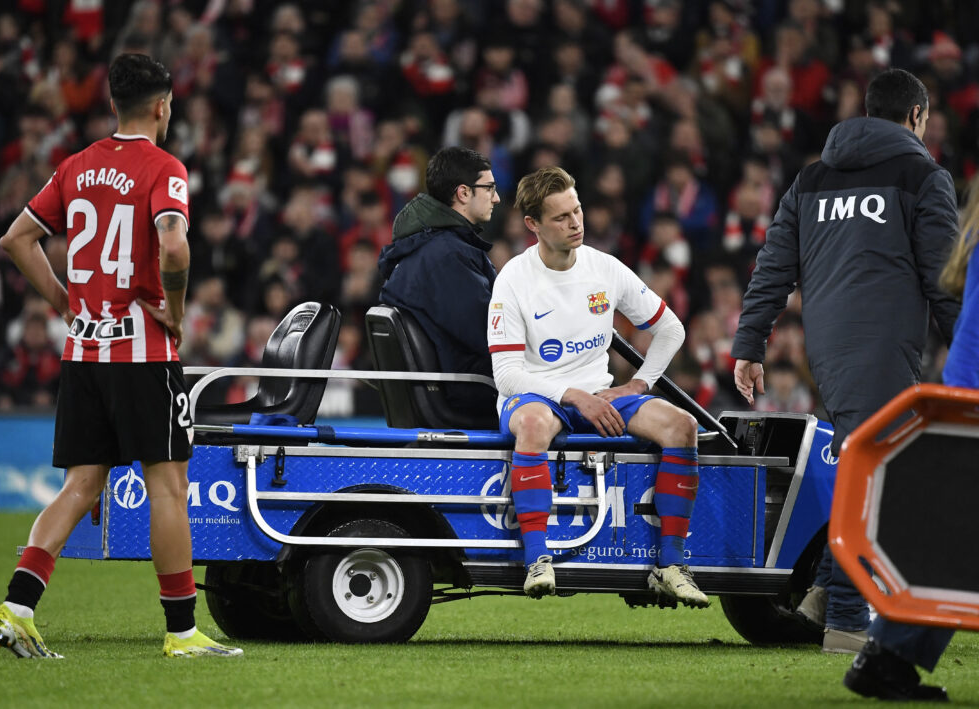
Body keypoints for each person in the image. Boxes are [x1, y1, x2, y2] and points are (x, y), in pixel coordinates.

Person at [0, 53, 241, 659]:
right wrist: (175, 313)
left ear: (111, 105)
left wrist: (63, 302)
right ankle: (182, 633)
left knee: (81, 484)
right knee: (169, 487)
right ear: (163, 107)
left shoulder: (75, 167)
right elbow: (173, 246)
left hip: (84, 353)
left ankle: (16, 608)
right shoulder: (164, 167)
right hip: (143, 355)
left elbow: (16, 239)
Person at [731, 68, 960, 655]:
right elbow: (945, 280)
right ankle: (846, 622)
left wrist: (750, 344)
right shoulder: (922, 176)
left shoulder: (812, 178)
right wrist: (967, 353)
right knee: (877, 482)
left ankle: (821, 596)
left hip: (827, 351)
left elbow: (774, 266)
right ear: (915, 117)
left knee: (861, 467)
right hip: (883, 348)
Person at [488, 166, 708, 606]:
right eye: (561, 217)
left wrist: (638, 385)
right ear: (532, 225)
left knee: (683, 426)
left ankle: (670, 564)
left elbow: (671, 329)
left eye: (578, 210)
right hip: (537, 395)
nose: (576, 223)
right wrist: (572, 396)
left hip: (603, 396)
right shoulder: (513, 279)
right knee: (532, 422)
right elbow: (507, 375)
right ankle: (537, 558)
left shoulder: (604, 268)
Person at [842, 176, 979, 702]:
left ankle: (886, 655)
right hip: (970, 401)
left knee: (955, 544)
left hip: (961, 398)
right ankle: (885, 655)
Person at [377, 146, 501, 418]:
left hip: (459, 388)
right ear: (464, 193)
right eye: (490, 188)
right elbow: (492, 336)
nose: (497, 198)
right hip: (474, 395)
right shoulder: (446, 255)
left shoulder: (429, 247)